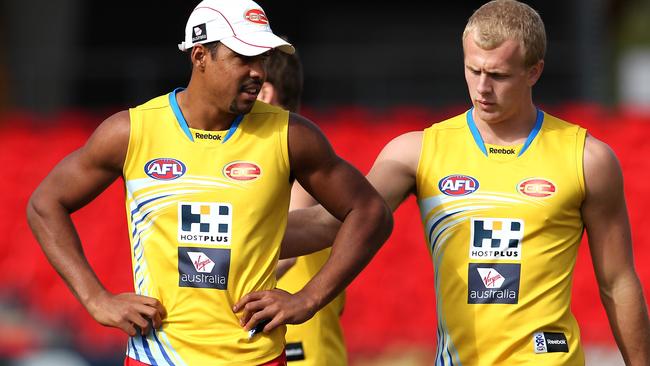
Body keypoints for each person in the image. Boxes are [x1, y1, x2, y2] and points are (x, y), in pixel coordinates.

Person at [237, 1, 650, 365]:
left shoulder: (587, 158)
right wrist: (224, 239)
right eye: (474, 70)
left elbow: (617, 281)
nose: (483, 88)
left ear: (534, 71)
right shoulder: (417, 151)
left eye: (499, 75)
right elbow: (332, 223)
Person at [25, 0, 392, 365]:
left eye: (262, 59)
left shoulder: (292, 135)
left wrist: (308, 298)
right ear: (200, 56)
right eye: (243, 58)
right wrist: (95, 299)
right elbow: (45, 204)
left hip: (257, 358)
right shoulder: (130, 132)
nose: (258, 72)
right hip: (157, 357)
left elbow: (371, 211)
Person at [256, 47, 348, 365]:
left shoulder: (295, 157)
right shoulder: (261, 159)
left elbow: (287, 254)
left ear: (264, 92)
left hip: (301, 344)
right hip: (273, 333)